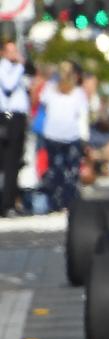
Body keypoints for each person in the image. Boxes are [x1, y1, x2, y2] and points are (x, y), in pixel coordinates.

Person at [39, 62, 89, 212]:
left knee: (55, 170)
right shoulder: (78, 93)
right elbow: (83, 117)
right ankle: (68, 202)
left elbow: (43, 105)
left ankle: (55, 202)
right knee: (71, 172)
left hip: (52, 134)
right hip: (70, 135)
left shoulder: (49, 89)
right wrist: (85, 138)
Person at [0, 41, 30, 217]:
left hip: (18, 117)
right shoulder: (5, 68)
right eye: (10, 51)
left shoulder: (14, 68)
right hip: (9, 116)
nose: (15, 54)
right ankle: (6, 203)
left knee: (15, 161)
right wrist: (19, 66)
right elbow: (9, 86)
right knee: (8, 161)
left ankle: (11, 199)